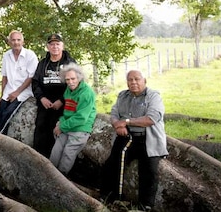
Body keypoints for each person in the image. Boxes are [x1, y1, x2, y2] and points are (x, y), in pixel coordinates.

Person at [100, 70, 167, 210]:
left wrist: (126, 121)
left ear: (145, 80)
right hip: (127, 137)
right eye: (130, 80)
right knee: (111, 164)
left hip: (148, 139)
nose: (133, 82)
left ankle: (145, 206)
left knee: (149, 170)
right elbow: (113, 114)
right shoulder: (123, 95)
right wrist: (117, 125)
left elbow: (151, 119)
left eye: (137, 79)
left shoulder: (153, 96)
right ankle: (109, 199)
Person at [31, 33, 76, 156]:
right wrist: (41, 98)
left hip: (64, 104)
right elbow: (35, 83)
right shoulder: (42, 63)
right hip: (45, 103)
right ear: (47, 47)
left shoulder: (70, 63)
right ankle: (38, 159)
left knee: (56, 130)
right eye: (52, 44)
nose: (55, 47)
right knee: (40, 129)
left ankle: (55, 162)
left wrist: (61, 100)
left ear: (62, 46)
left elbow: (75, 84)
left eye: (57, 44)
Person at [49, 64, 96, 175]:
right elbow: (67, 112)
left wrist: (62, 126)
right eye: (67, 80)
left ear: (79, 78)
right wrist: (60, 122)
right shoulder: (68, 90)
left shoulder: (86, 93)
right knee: (56, 151)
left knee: (68, 153)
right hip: (68, 125)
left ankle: (61, 179)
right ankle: (49, 174)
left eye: (73, 79)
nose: (70, 82)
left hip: (80, 128)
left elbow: (81, 118)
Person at [0, 30, 38, 133]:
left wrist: (17, 93)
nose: (16, 42)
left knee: (9, 112)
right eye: (13, 40)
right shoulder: (7, 55)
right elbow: (4, 77)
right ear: (9, 42)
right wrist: (2, 95)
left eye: (18, 40)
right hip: (9, 88)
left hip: (24, 90)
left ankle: (0, 136)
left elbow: (30, 78)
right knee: (1, 109)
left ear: (23, 42)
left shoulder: (30, 55)